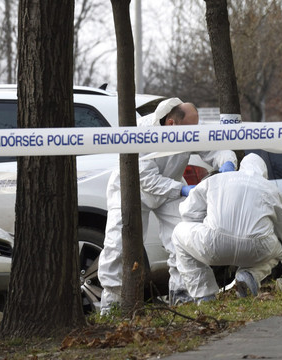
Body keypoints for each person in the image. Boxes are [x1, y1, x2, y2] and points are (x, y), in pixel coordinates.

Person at [98, 98, 237, 315]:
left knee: (182, 238)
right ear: (171, 124)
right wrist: (183, 190)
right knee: (118, 245)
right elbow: (147, 180)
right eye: (190, 129)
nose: (194, 133)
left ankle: (183, 293)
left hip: (170, 186)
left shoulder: (187, 128)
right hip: (131, 188)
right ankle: (112, 304)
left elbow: (216, 147)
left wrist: (227, 163)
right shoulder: (141, 133)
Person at [171, 153, 282, 303]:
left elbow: (187, 212)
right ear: (263, 172)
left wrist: (206, 224)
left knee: (178, 233)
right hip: (257, 248)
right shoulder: (270, 189)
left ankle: (205, 294)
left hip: (214, 245)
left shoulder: (216, 180)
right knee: (279, 249)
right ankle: (250, 275)